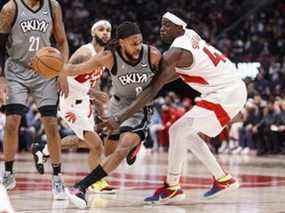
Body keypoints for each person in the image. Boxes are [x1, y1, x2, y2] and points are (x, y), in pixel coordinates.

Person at [102, 10, 247, 204]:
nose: (161, 29)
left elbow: (153, 89)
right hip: (225, 90)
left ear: (179, 27)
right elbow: (171, 75)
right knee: (186, 133)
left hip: (227, 92)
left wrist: (120, 117)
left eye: (167, 25)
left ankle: (172, 186)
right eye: (161, 25)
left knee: (178, 129)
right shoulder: (190, 35)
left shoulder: (176, 52)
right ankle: (223, 179)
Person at [60, 21, 161, 209]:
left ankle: (80, 187)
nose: (138, 47)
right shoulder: (108, 57)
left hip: (139, 107)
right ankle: (133, 144)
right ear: (121, 42)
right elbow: (74, 70)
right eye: (133, 43)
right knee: (108, 152)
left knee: (122, 149)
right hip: (117, 104)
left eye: (140, 42)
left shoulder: (153, 55)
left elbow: (159, 84)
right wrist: (58, 71)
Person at [0, 0, 69, 200]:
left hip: (44, 73)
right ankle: (8, 173)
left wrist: (62, 70)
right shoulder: (10, 8)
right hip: (17, 70)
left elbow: (62, 41)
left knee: (51, 124)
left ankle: (57, 178)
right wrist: (1, 78)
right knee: (12, 121)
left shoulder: (52, 6)